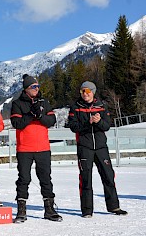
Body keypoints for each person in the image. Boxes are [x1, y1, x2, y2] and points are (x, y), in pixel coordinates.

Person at [67, 81, 127, 218]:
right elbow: (73, 126)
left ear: (93, 92)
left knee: (108, 176)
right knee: (86, 178)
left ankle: (114, 206)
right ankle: (87, 210)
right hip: (85, 147)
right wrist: (88, 123)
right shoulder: (75, 107)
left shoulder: (102, 105)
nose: (85, 94)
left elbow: (106, 126)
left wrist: (99, 121)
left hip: (101, 147)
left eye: (87, 91)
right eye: (82, 91)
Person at [10, 74, 62, 223]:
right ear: (26, 88)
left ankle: (49, 210)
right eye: (33, 86)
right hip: (25, 148)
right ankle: (21, 211)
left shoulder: (44, 102)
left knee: (46, 178)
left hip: (43, 147)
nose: (36, 88)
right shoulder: (17, 103)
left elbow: (51, 120)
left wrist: (39, 115)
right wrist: (30, 115)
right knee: (24, 178)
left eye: (37, 86)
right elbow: (17, 123)